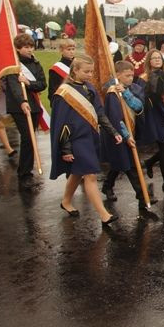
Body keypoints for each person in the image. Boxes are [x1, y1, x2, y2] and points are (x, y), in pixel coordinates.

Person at [50, 55, 122, 227]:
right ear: (75, 70)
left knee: (78, 172)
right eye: (86, 71)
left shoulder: (90, 88)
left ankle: (66, 201)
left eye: (91, 71)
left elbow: (100, 113)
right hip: (74, 140)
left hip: (90, 137)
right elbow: (61, 125)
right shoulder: (63, 93)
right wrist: (66, 150)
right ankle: (104, 215)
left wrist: (113, 132)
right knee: (90, 174)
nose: (90, 75)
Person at [101, 61, 155, 209]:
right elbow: (115, 117)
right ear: (118, 75)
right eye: (127, 76)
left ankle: (107, 186)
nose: (131, 78)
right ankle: (143, 196)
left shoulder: (132, 89)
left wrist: (125, 93)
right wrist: (126, 136)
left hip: (131, 131)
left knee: (120, 163)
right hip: (118, 134)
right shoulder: (111, 92)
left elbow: (138, 107)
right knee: (130, 164)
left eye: (132, 75)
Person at [2, 33, 46, 189]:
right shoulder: (13, 64)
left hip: (33, 105)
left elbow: (42, 84)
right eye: (26, 47)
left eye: (31, 46)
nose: (29, 50)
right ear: (18, 49)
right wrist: (22, 101)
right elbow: (13, 86)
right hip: (18, 106)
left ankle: (26, 170)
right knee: (27, 137)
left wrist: (28, 82)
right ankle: (24, 174)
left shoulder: (36, 63)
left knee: (31, 138)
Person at [139, 49, 164, 194]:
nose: (157, 60)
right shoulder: (144, 78)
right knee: (163, 147)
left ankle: (150, 162)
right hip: (154, 114)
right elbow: (142, 97)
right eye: (154, 58)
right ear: (149, 61)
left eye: (159, 58)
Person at [48, 38, 76, 102]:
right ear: (61, 50)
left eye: (73, 49)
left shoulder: (78, 64)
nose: (71, 51)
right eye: (68, 49)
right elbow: (52, 91)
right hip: (64, 101)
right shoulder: (56, 69)